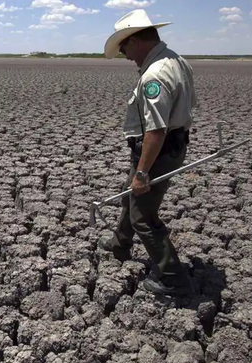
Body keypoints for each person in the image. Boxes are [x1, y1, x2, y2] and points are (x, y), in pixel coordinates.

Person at [98, 9, 197, 296]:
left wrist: (142, 172)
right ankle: (120, 244)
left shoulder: (155, 75)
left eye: (125, 47)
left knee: (143, 215)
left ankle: (174, 279)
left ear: (137, 40)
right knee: (131, 196)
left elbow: (156, 130)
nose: (126, 56)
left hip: (158, 151)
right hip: (167, 147)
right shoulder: (177, 60)